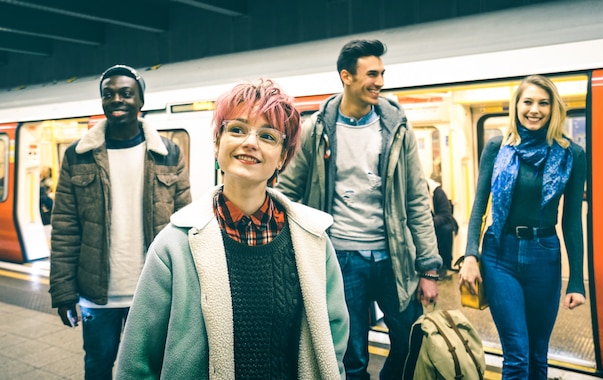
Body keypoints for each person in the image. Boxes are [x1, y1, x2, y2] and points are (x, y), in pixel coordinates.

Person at [115, 78, 349, 379]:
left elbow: (332, 341)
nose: (250, 142)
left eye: (267, 136)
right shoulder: (173, 246)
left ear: (283, 157)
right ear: (217, 144)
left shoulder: (312, 241)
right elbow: (138, 360)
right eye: (237, 129)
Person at [275, 39, 441, 380]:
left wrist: (429, 268)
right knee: (352, 355)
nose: (379, 81)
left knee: (409, 340)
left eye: (382, 73)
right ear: (346, 76)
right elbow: (288, 192)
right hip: (341, 257)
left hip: (394, 257)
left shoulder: (396, 129)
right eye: (372, 74)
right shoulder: (317, 130)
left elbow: (416, 200)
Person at [48, 64, 192, 380]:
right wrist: (63, 292)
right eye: (109, 94)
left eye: (126, 93)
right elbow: (65, 227)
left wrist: (188, 286)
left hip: (153, 289)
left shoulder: (168, 153)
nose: (117, 100)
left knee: (150, 369)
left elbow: (185, 223)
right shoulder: (78, 155)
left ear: (140, 101)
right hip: (97, 295)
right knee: (97, 366)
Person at [458, 75, 586, 379]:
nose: (535, 110)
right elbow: (479, 204)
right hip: (499, 255)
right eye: (527, 102)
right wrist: (471, 256)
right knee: (517, 355)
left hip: (544, 256)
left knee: (538, 356)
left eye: (543, 103)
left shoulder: (572, 155)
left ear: (554, 109)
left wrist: (577, 281)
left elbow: (571, 221)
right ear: (516, 106)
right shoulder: (497, 147)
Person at [426, 177, 458, 279]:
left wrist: (428, 223)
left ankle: (445, 265)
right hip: (430, 225)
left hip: (441, 225)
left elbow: (446, 215)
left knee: (446, 230)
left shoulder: (438, 192)